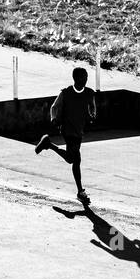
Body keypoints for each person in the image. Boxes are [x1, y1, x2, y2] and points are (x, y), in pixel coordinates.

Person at [35, 66, 97, 206]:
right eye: (83, 77)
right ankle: (80, 192)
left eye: (86, 77)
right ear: (75, 79)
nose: (85, 79)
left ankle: (48, 144)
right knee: (73, 159)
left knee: (74, 159)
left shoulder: (89, 93)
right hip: (68, 130)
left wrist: (92, 115)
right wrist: (54, 119)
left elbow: (92, 106)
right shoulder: (66, 93)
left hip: (79, 130)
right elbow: (54, 107)